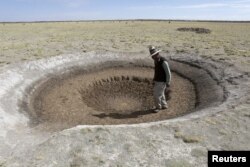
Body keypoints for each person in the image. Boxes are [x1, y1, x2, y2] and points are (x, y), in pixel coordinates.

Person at [149, 46, 171, 113]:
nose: (152, 57)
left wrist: (168, 82)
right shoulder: (156, 61)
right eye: (152, 56)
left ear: (157, 54)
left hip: (162, 81)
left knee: (156, 95)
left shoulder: (163, 62)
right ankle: (164, 105)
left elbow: (168, 73)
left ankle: (158, 107)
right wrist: (154, 79)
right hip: (158, 80)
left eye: (153, 56)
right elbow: (156, 71)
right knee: (161, 93)